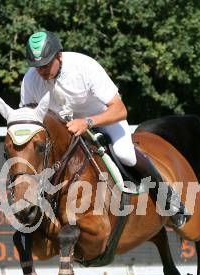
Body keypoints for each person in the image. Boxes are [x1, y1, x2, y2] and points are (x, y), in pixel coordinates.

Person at [20, 31, 189, 228]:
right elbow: (28, 119)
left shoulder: (85, 67)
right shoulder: (30, 80)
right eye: (37, 66)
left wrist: (87, 122)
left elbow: (120, 109)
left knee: (126, 155)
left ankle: (168, 199)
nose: (41, 71)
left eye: (46, 64)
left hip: (102, 119)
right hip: (65, 130)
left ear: (59, 55)